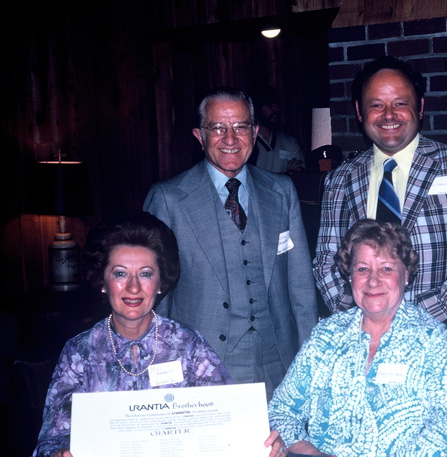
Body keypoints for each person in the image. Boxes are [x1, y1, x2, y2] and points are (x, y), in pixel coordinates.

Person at [313, 56, 447, 420]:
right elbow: (325, 262)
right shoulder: (340, 180)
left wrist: (403, 321)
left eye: (400, 103)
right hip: (365, 355)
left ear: (420, 107)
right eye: (376, 105)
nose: (389, 114)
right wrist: (362, 321)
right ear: (359, 111)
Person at [144, 87, 318, 400]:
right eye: (218, 128)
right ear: (199, 135)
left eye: (240, 127)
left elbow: (301, 287)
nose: (230, 138)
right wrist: (160, 369)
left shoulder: (282, 191)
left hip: (278, 360)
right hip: (200, 364)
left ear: (254, 132)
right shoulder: (168, 198)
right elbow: (156, 298)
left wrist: (308, 362)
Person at [32, 212, 233, 457]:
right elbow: (52, 438)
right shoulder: (80, 352)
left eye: (146, 273)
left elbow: (227, 423)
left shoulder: (189, 346)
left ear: (160, 283)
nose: (134, 287)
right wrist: (58, 453)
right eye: (120, 273)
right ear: (102, 281)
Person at [268, 219, 447, 456]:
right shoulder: (327, 336)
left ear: (405, 275)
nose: (373, 280)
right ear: (350, 276)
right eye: (362, 269)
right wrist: (315, 454)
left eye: (386, 268)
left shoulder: (432, 339)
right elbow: (282, 411)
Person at [250, 85, 304, 174]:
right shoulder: (248, 143)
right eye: (270, 105)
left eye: (277, 105)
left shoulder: (289, 142)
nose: (277, 109)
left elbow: (298, 175)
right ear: (257, 108)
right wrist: (286, 174)